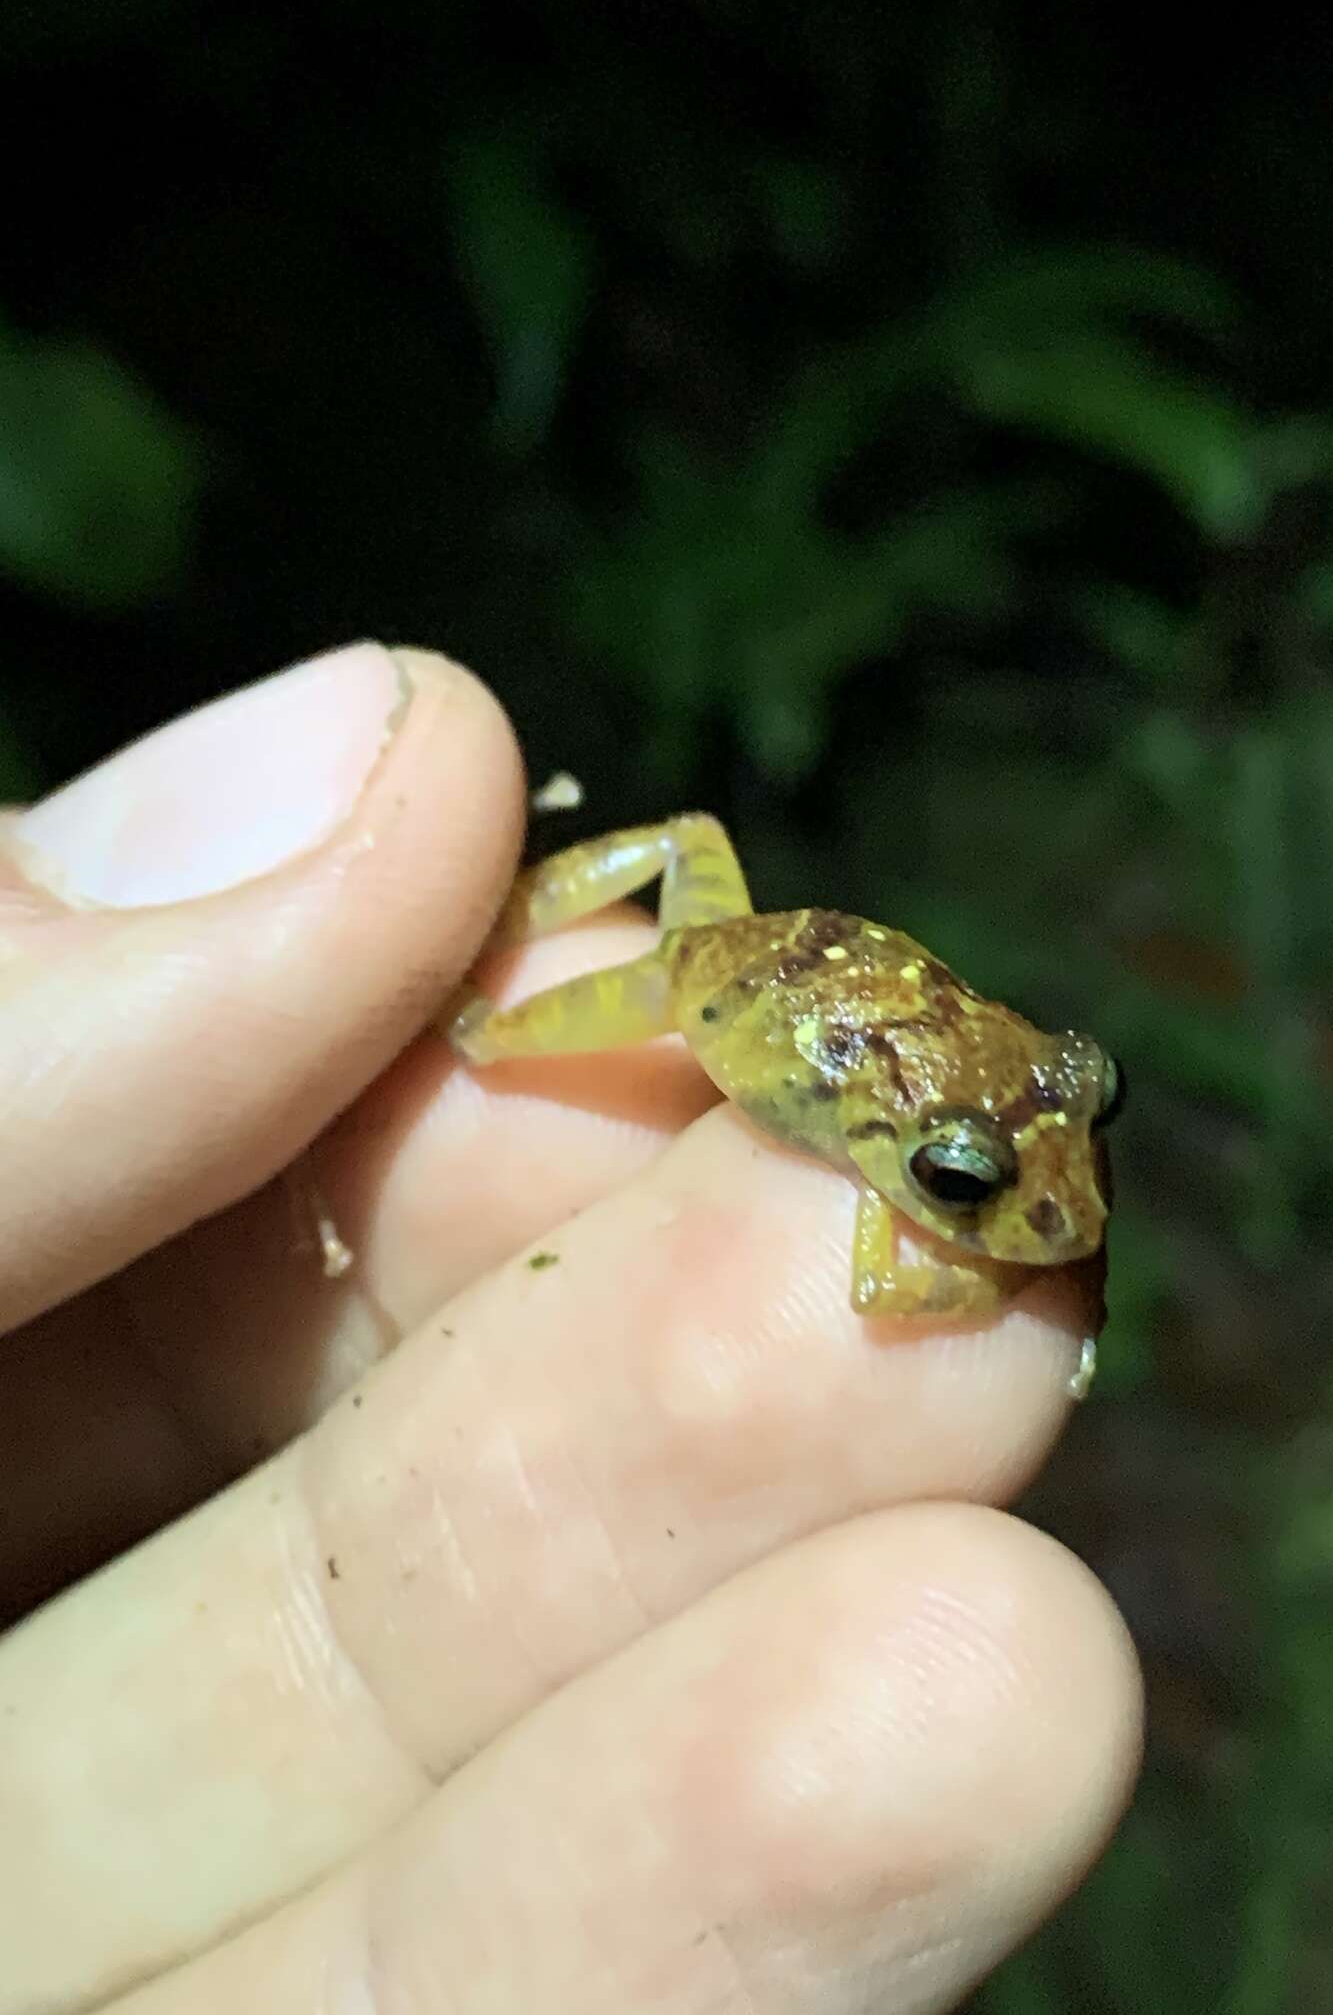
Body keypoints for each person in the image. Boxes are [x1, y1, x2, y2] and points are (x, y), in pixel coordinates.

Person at [0, 644, 1140, 2013]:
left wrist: (1023, 1238)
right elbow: (881, 1290)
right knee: (493, 1040)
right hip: (709, 986)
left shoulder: (997, 1117)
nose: (1041, 1198)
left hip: (814, 980)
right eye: (963, 1187)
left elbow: (1018, 1155)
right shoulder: (863, 1161)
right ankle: (495, 954)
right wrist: (980, 1273)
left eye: (1084, 1102)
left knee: (688, 848)